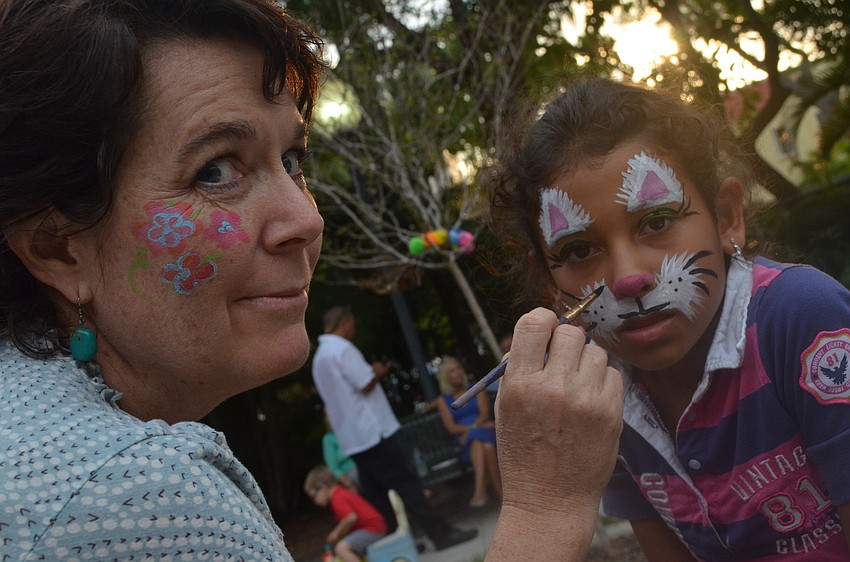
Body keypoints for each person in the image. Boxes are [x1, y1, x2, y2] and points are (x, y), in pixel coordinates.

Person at [0, 0, 624, 559]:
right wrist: (545, 511)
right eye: (216, 171)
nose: (306, 218)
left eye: (293, 160)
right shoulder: (137, 496)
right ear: (58, 250)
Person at [488, 77, 850, 560]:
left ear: (726, 217)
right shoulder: (596, 396)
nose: (628, 279)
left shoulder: (801, 318)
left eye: (656, 222)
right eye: (577, 250)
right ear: (549, 281)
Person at [311, 305, 478, 550]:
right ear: (344, 323)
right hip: (372, 431)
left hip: (352, 439)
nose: (353, 331)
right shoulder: (342, 349)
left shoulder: (319, 359)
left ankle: (396, 544)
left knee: (377, 495)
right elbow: (365, 382)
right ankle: (440, 534)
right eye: (352, 325)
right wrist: (377, 371)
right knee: (406, 484)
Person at [433, 355, 502, 507]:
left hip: (478, 434)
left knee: (480, 440)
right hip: (466, 442)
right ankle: (501, 497)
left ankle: (480, 492)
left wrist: (470, 430)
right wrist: (473, 429)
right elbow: (451, 428)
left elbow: (484, 414)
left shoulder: (476, 388)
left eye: (458, 368)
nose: (457, 372)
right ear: (445, 377)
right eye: (452, 371)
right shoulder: (442, 400)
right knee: (486, 447)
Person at [304, 464, 387, 562]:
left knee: (341, 549)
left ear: (322, 486)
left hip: (373, 529)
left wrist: (336, 533)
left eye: (313, 496)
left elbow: (351, 517)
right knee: (347, 548)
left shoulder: (337, 498)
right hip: (373, 527)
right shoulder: (340, 493)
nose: (315, 501)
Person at [322, 415, 361, 491]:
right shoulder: (329, 439)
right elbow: (333, 467)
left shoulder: (350, 429)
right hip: (351, 475)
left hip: (365, 467)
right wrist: (347, 483)